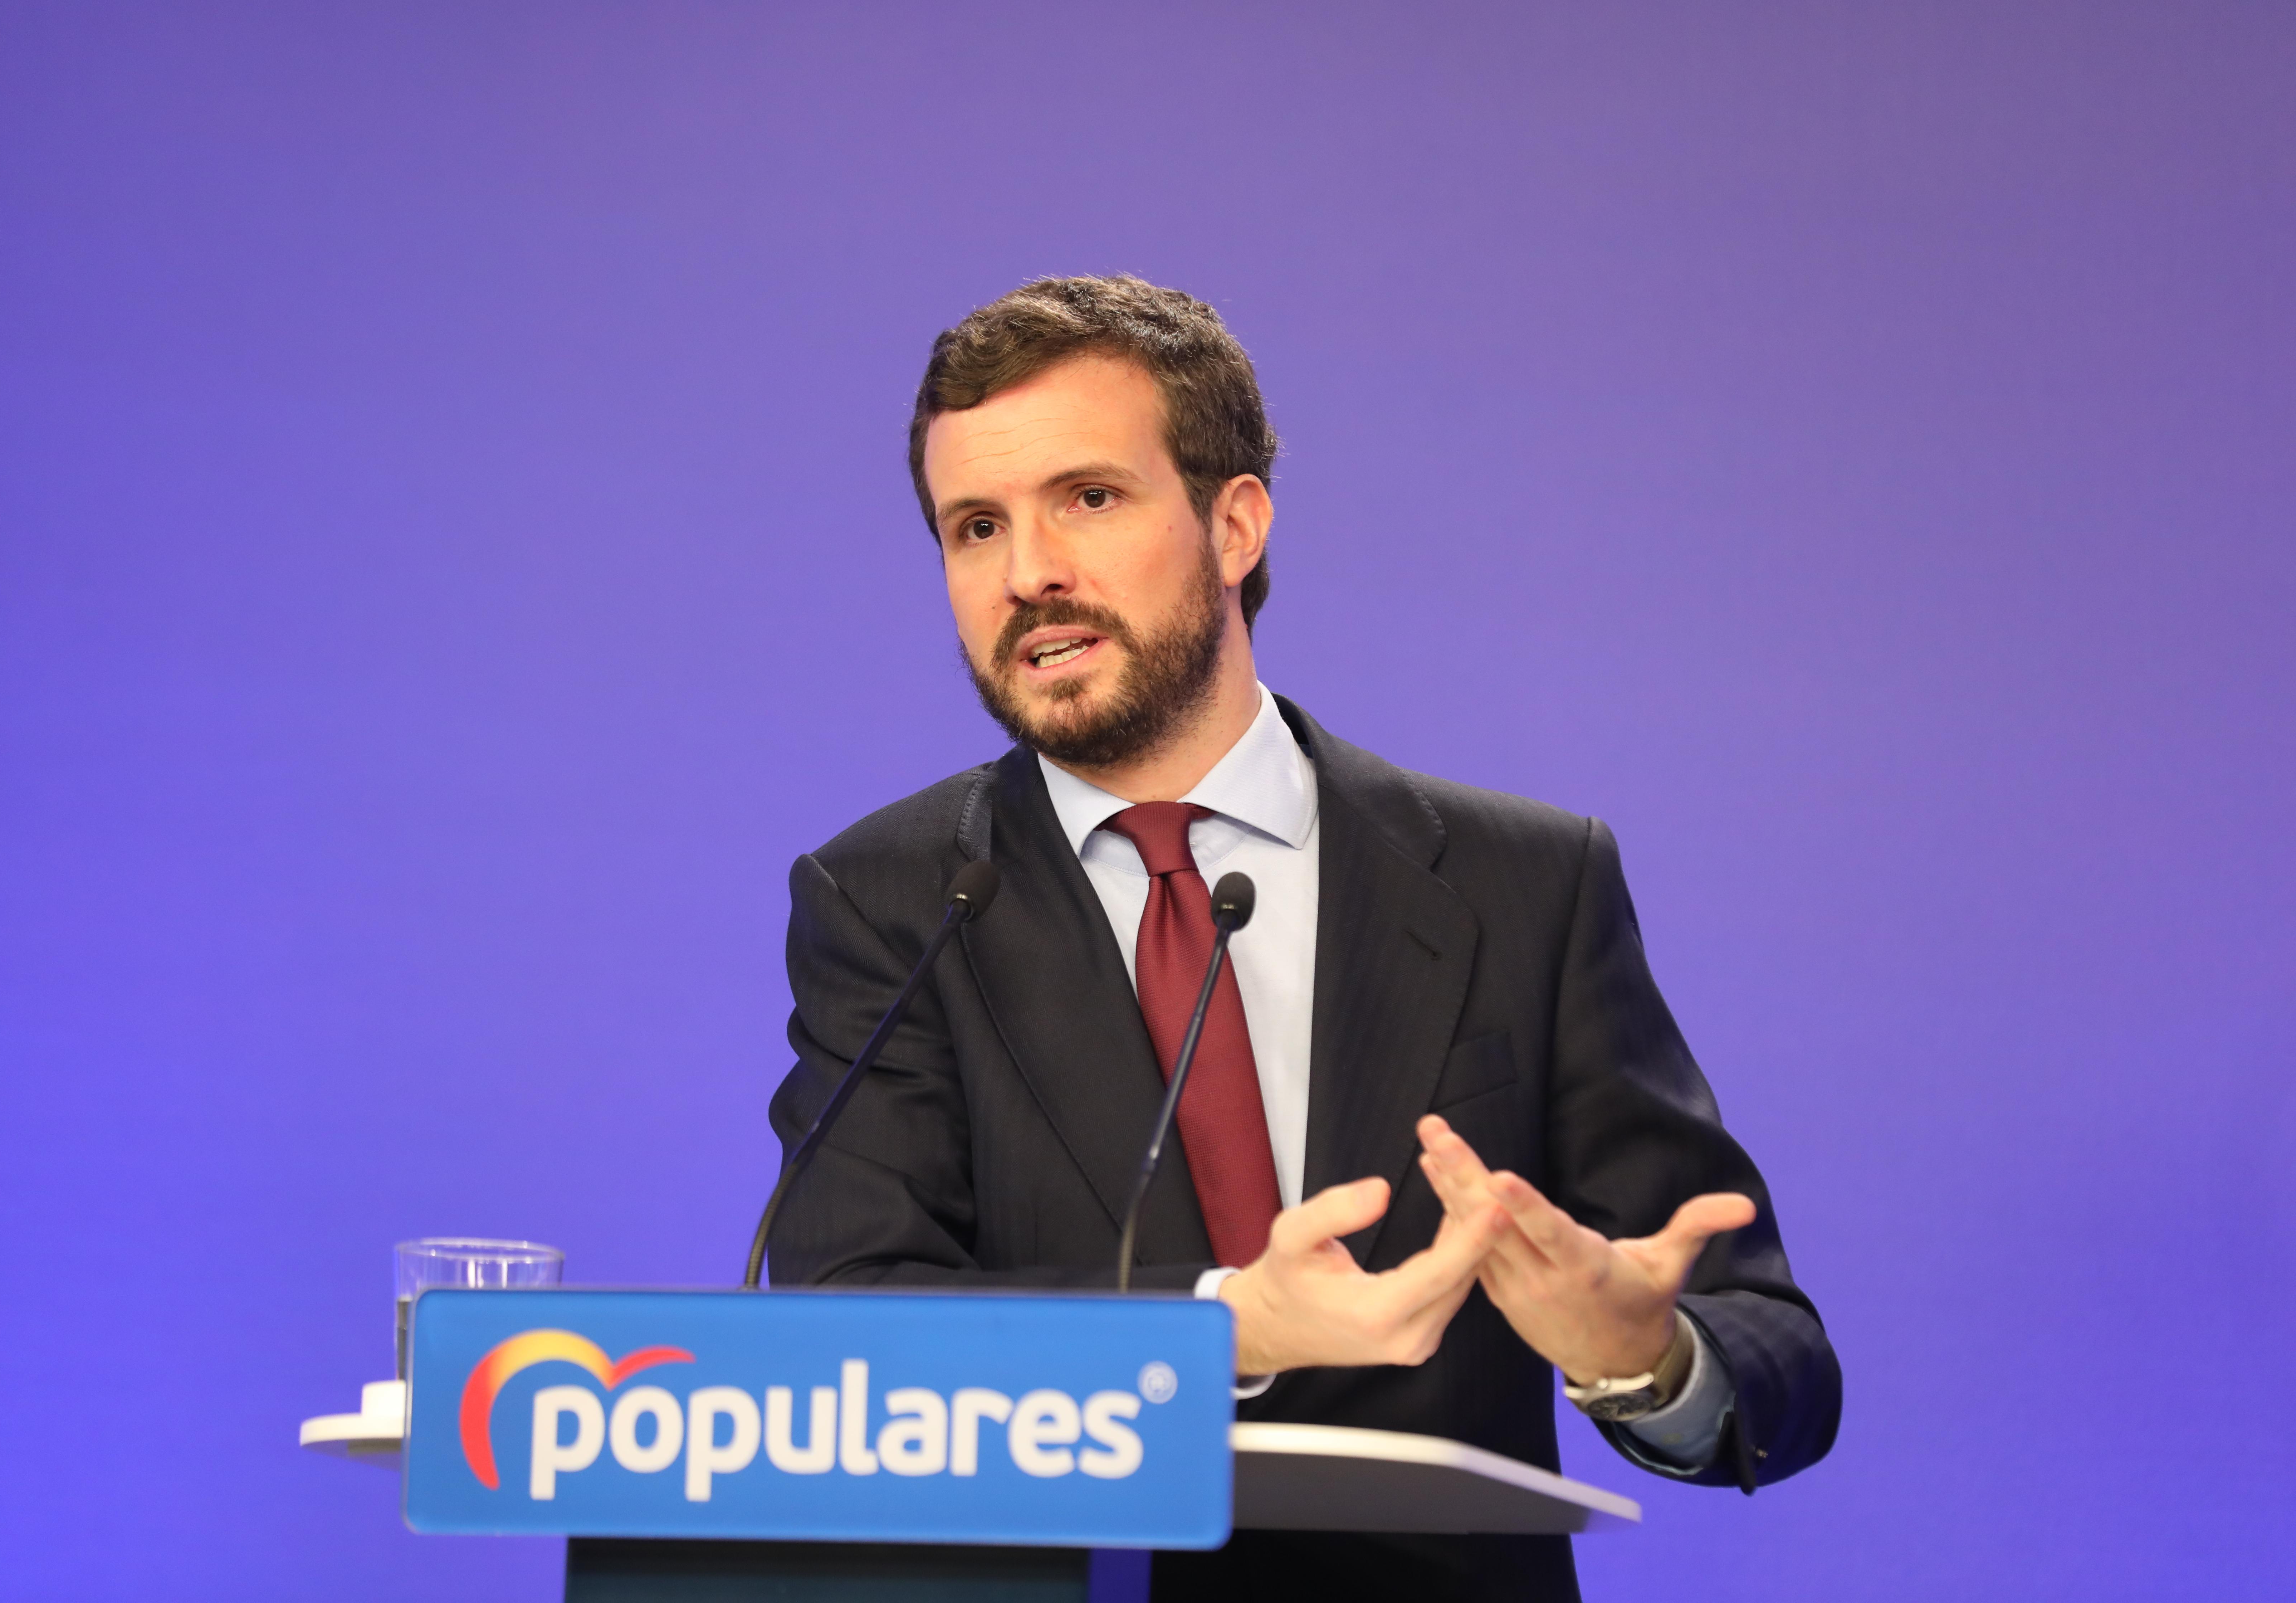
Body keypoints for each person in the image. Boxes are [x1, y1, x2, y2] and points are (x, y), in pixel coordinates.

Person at [766, 275, 1840, 1600]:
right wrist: (1218, 1330)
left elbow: (1772, 1361)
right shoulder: (893, 897)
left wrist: (1646, 1354)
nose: (1028, 572)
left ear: (1236, 524)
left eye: (1088, 499)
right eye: (975, 527)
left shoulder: (1525, 881)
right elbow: (846, 1328)